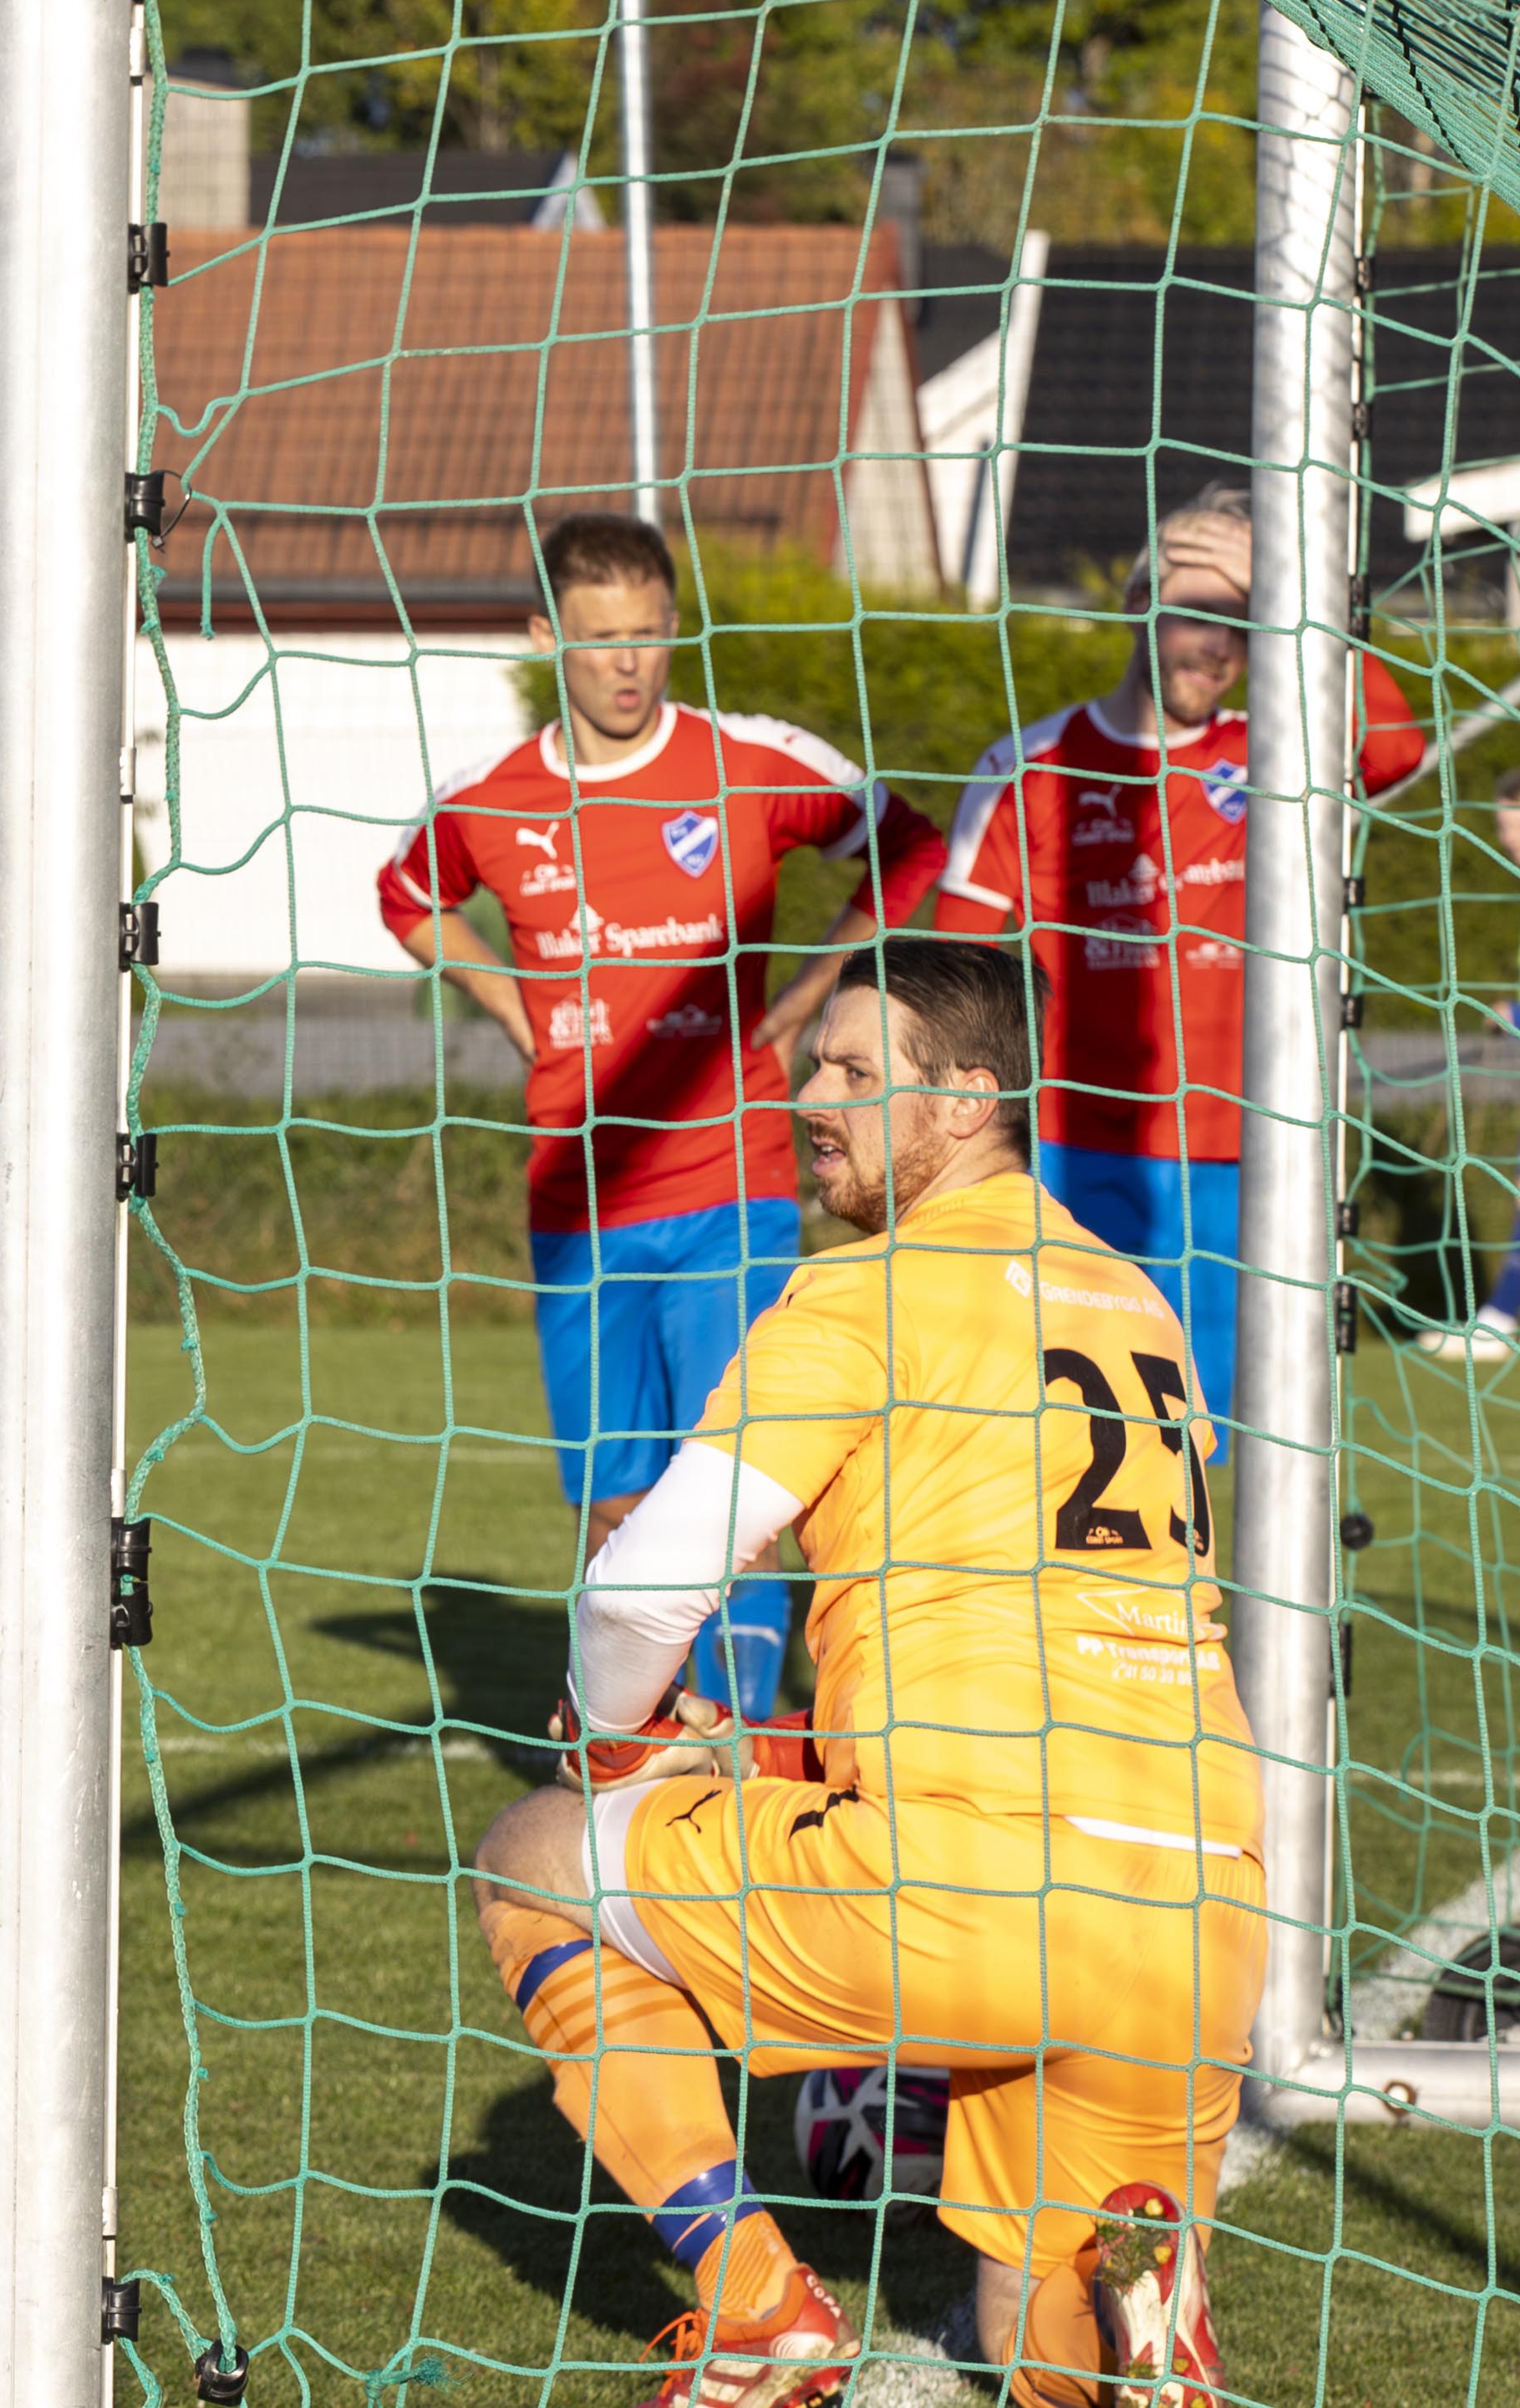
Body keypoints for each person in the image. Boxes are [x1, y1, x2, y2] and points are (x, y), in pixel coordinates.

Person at [470, 937, 1248, 2405]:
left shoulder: (863, 1293)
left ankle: (757, 2301)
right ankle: (1137, 2323)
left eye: (849, 1068)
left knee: (536, 1859)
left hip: (973, 1879)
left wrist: (615, 1734)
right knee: (1038, 2350)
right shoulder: (1141, 1309)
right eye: (812, 1060)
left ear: (964, 1100)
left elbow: (646, 1580)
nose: (807, 1091)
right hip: (1196, 1909)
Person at [377, 514, 945, 1713]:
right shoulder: (489, 798)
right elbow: (408, 896)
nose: (629, 663)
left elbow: (908, 847)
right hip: (576, 1198)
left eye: (648, 635)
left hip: (727, 1186)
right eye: (599, 641)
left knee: (736, 1488)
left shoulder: (750, 762)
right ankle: (632, 1744)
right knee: (618, 1500)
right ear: (547, 639)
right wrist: (511, 1006)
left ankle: (739, 1740)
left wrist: (807, 1002)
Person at [924, 484, 1428, 1440]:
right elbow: (951, 987)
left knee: (1210, 1448)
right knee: (1062, 1439)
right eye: (1198, 609)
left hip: (1243, 1156)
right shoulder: (1025, 769)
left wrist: (1289, 591)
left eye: (1243, 619)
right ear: (1135, 601)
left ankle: (1190, 1601)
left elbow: (1394, 748)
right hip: (1065, 1157)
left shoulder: (1274, 759)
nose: (1216, 645)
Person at [1419, 762, 1520, 1361]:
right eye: (1502, 825)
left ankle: (1497, 1322)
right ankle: (1496, 1319)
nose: (1508, 837)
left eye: (1518, 822)